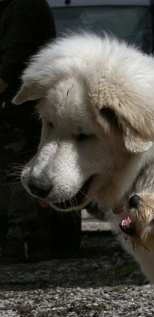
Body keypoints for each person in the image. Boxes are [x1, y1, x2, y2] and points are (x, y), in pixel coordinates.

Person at [0, 0, 79, 261]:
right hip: (23, 109)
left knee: (21, 173)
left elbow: (13, 64)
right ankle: (34, 239)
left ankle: (25, 239)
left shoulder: (22, 6)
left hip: (20, 111)